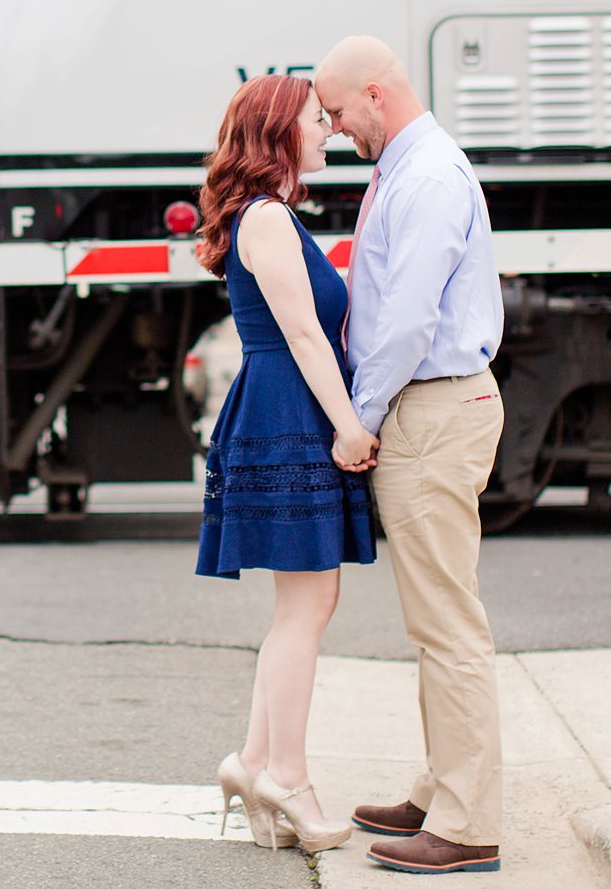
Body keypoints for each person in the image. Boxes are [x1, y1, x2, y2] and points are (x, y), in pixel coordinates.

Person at [314, 35, 506, 875]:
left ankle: (465, 825)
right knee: (437, 615)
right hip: (433, 407)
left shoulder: (423, 178)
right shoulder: (412, 169)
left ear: (375, 94)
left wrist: (356, 418)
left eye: (338, 112)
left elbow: (405, 321)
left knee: (447, 622)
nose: (335, 127)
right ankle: (441, 788)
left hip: (430, 409)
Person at [195, 73, 378, 856]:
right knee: (306, 608)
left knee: (300, 608)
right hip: (291, 411)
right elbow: (305, 336)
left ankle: (257, 762)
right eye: (316, 119)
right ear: (279, 136)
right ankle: (288, 778)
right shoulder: (267, 218)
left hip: (282, 406)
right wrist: (348, 429)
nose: (327, 129)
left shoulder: (263, 217)